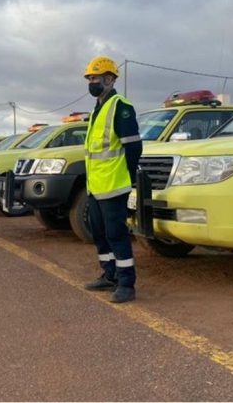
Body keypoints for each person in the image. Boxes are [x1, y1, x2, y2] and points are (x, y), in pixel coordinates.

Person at [82, 56, 143, 303]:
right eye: (89, 78)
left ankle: (127, 283)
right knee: (99, 233)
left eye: (95, 78)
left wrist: (126, 178)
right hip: (96, 186)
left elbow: (133, 148)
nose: (91, 82)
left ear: (109, 79)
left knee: (116, 234)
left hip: (114, 185)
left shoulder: (120, 106)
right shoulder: (98, 108)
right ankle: (110, 275)